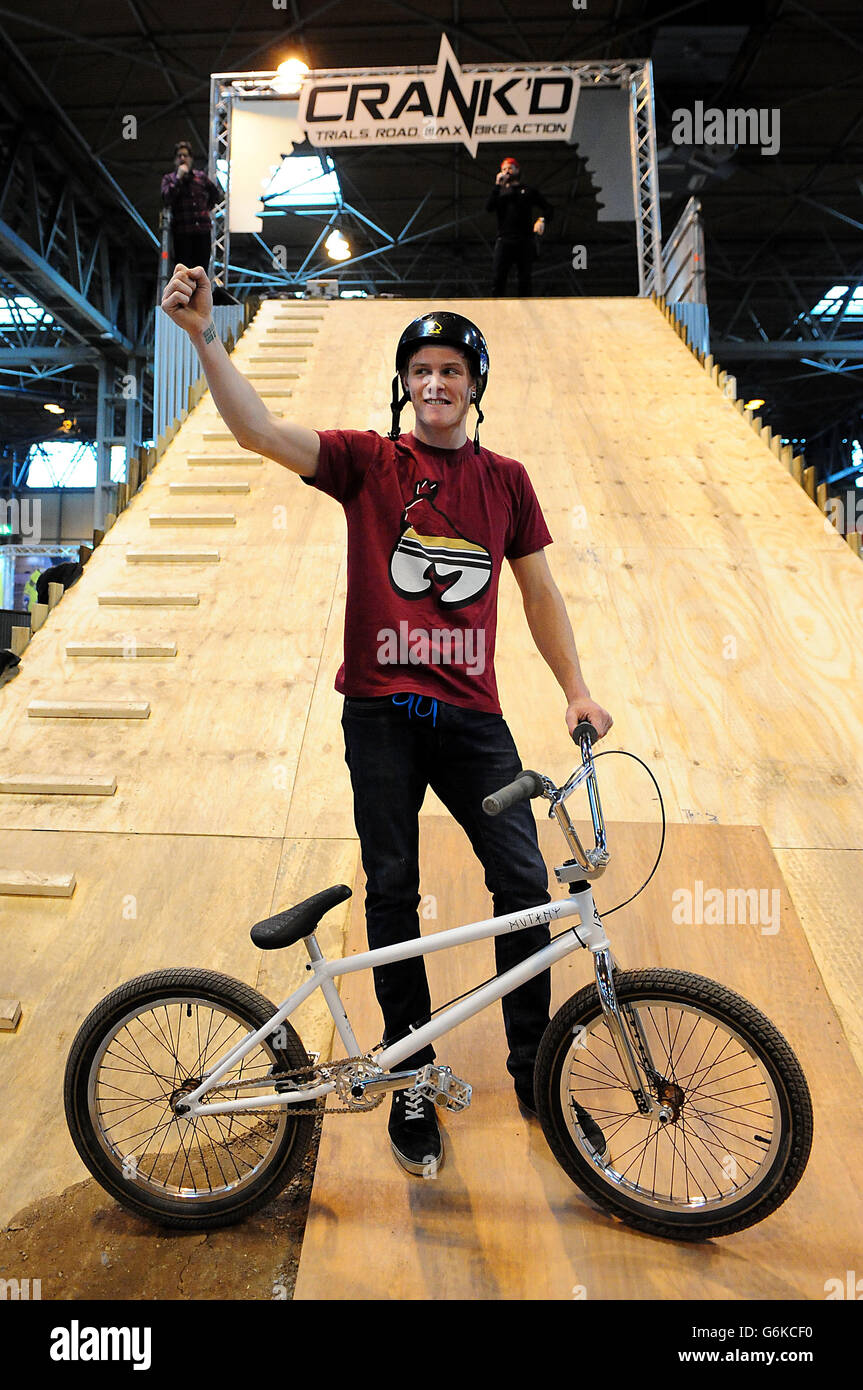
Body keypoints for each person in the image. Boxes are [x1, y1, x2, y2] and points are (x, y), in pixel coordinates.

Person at [160, 265, 613, 1179]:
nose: (436, 385)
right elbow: (256, 430)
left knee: (526, 886)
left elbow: (539, 592)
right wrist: (206, 336)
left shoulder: (505, 483)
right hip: (382, 718)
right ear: (404, 385)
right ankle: (409, 1075)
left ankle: (538, 1070)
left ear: (474, 386)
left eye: (452, 371)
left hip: (474, 719)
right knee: (392, 893)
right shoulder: (368, 463)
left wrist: (573, 686)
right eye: (421, 372)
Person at [486, 156, 553, 297]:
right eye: (504, 169)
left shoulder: (528, 190)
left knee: (524, 277)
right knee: (498, 276)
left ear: (517, 170)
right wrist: (497, 185)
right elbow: (489, 207)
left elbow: (548, 208)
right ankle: (495, 307)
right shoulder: (500, 192)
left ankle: (525, 306)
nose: (507, 171)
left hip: (525, 239)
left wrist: (542, 220)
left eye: (510, 168)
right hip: (504, 239)